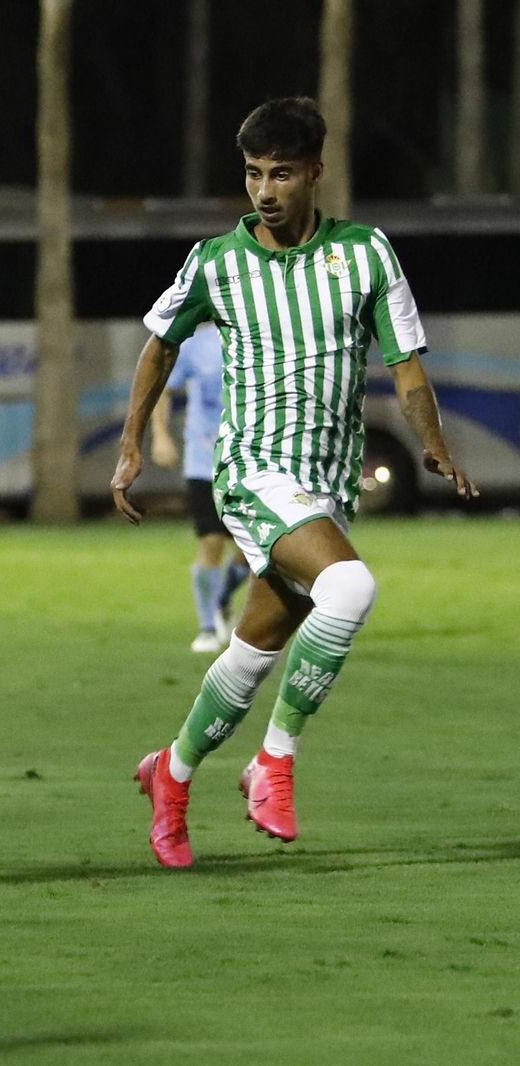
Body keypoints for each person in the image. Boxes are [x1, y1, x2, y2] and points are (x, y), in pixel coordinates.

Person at [111, 97, 477, 869]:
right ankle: (274, 761)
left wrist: (433, 442)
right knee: (350, 588)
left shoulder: (366, 253)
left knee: (252, 653)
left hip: (326, 485)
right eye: (253, 174)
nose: (264, 190)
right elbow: (159, 345)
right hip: (252, 470)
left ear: (315, 172)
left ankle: (171, 773)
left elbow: (406, 366)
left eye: (280, 174)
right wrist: (131, 442)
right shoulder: (216, 262)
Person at [148, 322, 249, 652]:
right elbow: (162, 386)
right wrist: (161, 435)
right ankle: (207, 628)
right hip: (204, 460)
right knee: (211, 539)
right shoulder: (196, 344)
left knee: (250, 549)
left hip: (249, 461)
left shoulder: (258, 336)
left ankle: (221, 599)